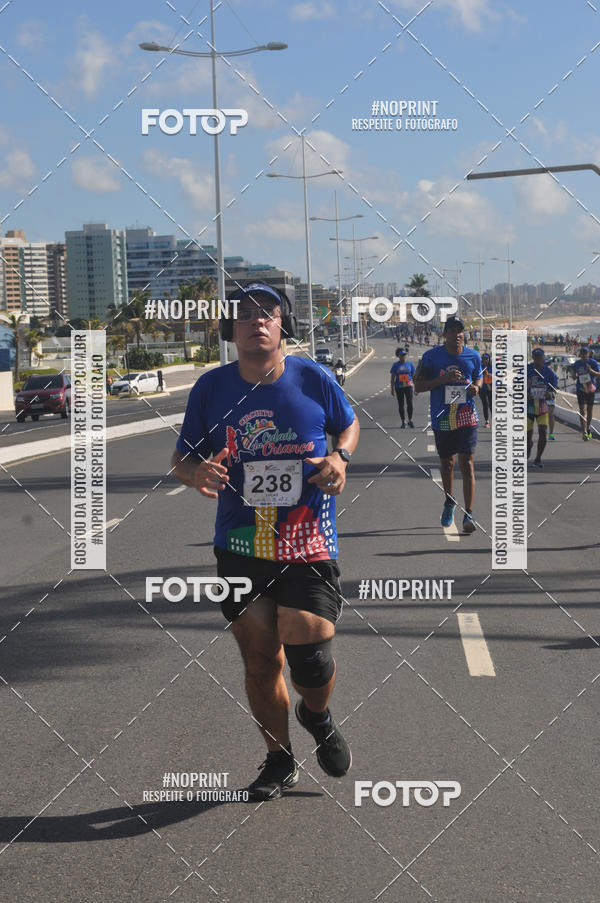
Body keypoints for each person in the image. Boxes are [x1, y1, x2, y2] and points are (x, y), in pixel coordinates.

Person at [171, 282, 360, 801]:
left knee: (310, 658)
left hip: (306, 541)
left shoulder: (313, 377)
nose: (257, 321)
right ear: (230, 330)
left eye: (268, 314)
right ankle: (280, 759)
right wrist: (197, 474)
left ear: (283, 326)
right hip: (240, 544)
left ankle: (316, 716)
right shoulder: (210, 389)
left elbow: (349, 426)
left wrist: (340, 459)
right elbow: (182, 459)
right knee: (259, 659)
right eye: (246, 315)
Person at [414, 316, 482, 533]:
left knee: (467, 463)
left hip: (467, 416)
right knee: (448, 464)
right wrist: (442, 380)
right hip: (443, 417)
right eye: (452, 330)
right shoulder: (431, 357)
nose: (457, 334)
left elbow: (479, 377)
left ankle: (469, 513)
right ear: (445, 335)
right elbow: (418, 385)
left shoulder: (473, 356)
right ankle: (449, 501)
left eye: (460, 330)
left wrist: (477, 388)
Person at [526, 349, 558, 468]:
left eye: (541, 357)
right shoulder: (526, 370)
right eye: (536, 357)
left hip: (542, 407)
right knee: (528, 436)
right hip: (528, 408)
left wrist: (550, 393)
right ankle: (528, 445)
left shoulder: (548, 372)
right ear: (533, 357)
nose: (539, 359)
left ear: (544, 358)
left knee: (543, 433)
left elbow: (554, 388)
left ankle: (538, 458)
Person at [572, 345, 600, 440]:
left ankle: (588, 429)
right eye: (582, 353)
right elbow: (573, 374)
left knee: (589, 411)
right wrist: (574, 375)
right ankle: (584, 432)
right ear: (580, 354)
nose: (584, 355)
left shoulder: (593, 362)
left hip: (591, 389)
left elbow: (598, 375)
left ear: (588, 354)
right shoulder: (576, 363)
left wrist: (590, 370)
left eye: (585, 353)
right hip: (581, 389)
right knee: (582, 411)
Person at [390, 347, 415, 428]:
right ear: (398, 356)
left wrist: (416, 386)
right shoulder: (395, 365)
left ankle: (410, 420)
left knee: (410, 403)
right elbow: (393, 378)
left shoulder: (410, 364)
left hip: (409, 386)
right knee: (401, 404)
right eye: (402, 355)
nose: (403, 356)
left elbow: (414, 376)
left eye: (405, 355)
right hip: (399, 387)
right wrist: (392, 389)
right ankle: (403, 421)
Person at [480, 352, 493, 427]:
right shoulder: (480, 367)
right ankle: (487, 421)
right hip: (482, 388)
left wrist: (491, 375)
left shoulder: (492, 367)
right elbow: (476, 376)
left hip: (491, 388)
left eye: (486, 359)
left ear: (489, 359)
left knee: (491, 405)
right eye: (483, 359)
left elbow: (498, 378)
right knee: (485, 404)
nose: (485, 360)